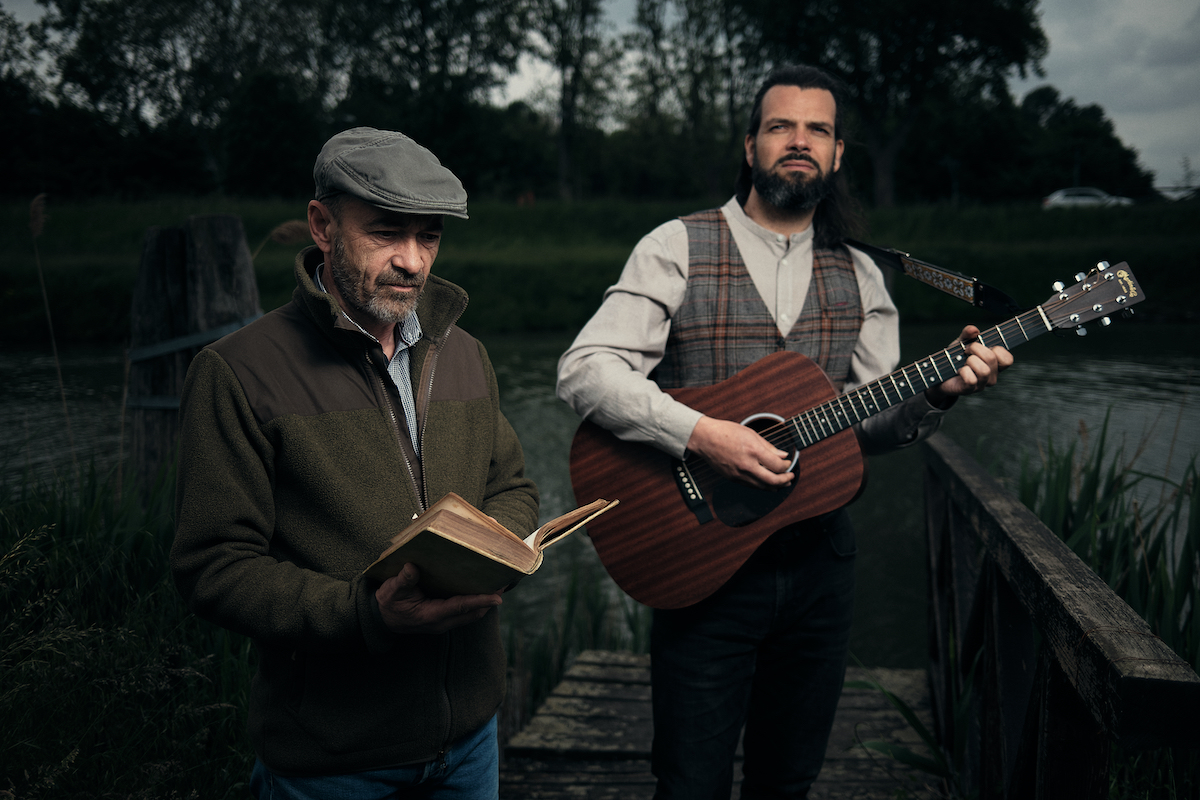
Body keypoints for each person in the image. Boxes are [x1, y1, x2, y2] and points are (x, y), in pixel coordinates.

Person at [556, 65, 1012, 799]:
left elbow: (869, 424)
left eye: (818, 130)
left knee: (789, 779)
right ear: (750, 146)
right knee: (689, 783)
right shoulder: (676, 245)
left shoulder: (865, 275)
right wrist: (703, 434)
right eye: (781, 126)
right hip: (699, 555)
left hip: (819, 567)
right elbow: (584, 370)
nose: (799, 142)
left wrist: (940, 396)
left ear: (836, 156)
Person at [171, 127, 539, 799]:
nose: (412, 261)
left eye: (427, 237)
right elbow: (213, 567)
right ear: (322, 225)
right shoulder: (237, 372)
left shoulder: (465, 354)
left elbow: (510, 486)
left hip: (470, 744)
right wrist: (365, 613)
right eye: (385, 233)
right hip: (332, 763)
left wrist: (493, 551)